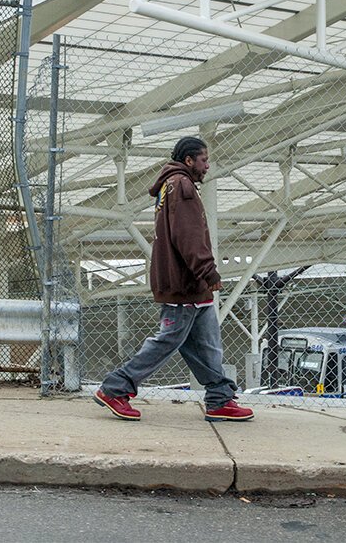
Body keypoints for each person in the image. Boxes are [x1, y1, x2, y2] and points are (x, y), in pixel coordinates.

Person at [95, 136, 253, 423]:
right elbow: (188, 235)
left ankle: (219, 399)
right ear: (189, 160)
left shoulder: (171, 186)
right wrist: (208, 271)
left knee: (207, 345)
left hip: (192, 286)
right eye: (203, 159)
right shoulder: (181, 186)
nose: (207, 165)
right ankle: (115, 388)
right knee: (167, 340)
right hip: (185, 283)